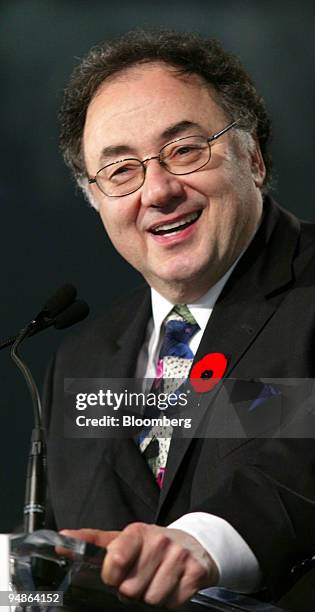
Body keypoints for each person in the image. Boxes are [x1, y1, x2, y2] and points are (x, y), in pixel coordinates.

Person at [44, 30, 315, 609]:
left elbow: (295, 458)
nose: (159, 191)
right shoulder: (81, 356)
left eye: (185, 150)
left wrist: (202, 543)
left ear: (255, 157)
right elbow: (60, 557)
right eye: (120, 171)